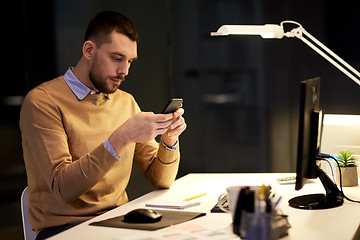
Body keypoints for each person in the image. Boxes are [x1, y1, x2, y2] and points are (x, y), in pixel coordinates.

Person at [19, 11, 186, 240]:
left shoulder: (125, 101)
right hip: (65, 230)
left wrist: (169, 140)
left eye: (129, 61)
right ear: (89, 50)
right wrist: (122, 137)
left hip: (120, 222)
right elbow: (62, 188)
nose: (124, 71)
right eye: (117, 58)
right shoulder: (42, 102)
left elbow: (161, 179)